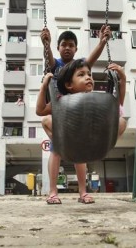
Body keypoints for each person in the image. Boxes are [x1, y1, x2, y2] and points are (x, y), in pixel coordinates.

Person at [36, 59, 127, 204]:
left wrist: (122, 78)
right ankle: (54, 190)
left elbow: (118, 103)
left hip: (94, 141)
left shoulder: (99, 98)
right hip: (69, 141)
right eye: (81, 75)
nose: (88, 77)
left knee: (122, 122)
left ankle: (83, 192)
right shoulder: (61, 100)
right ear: (69, 85)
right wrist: (44, 87)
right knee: (47, 120)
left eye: (89, 74)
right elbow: (40, 111)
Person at [37, 27, 111, 205]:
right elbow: (48, 58)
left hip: (78, 117)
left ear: (76, 49)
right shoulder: (56, 66)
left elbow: (91, 59)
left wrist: (102, 42)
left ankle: (83, 192)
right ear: (58, 47)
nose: (67, 48)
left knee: (80, 155)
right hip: (62, 117)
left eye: (71, 45)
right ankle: (53, 192)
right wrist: (46, 44)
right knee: (55, 151)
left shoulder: (79, 67)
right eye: (63, 45)